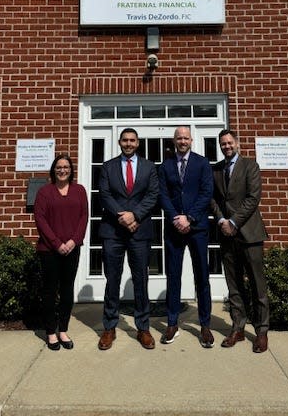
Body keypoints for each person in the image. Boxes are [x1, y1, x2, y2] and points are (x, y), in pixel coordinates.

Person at [98, 127, 159, 350]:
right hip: (113, 231)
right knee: (112, 280)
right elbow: (104, 194)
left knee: (141, 280)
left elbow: (153, 195)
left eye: (132, 140)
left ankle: (143, 328)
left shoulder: (150, 167)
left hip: (139, 230)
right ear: (119, 142)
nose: (129, 144)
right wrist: (121, 216)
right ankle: (109, 327)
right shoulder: (108, 167)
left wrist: (136, 215)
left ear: (138, 143)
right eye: (125, 140)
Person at [211, 129, 269, 353]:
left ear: (237, 143)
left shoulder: (250, 166)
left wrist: (233, 221)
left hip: (250, 234)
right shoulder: (216, 169)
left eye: (229, 143)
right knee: (234, 285)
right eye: (223, 144)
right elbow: (213, 199)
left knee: (257, 285)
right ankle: (238, 327)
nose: (226, 146)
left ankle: (262, 331)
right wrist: (221, 220)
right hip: (226, 235)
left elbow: (253, 197)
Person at [158, 126, 214, 347]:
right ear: (174, 141)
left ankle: (205, 325)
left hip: (197, 228)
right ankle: (172, 323)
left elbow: (206, 192)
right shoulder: (165, 165)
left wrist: (189, 218)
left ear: (192, 140)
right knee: (173, 276)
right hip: (174, 229)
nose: (182, 141)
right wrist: (175, 217)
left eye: (185, 138)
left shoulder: (202, 163)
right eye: (179, 138)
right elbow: (162, 194)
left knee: (202, 276)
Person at [34, 153, 89, 351]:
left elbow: (84, 217)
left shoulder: (80, 191)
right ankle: (50, 332)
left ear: (71, 170)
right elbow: (40, 220)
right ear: (53, 170)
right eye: (59, 167)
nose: (62, 170)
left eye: (66, 167)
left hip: (72, 249)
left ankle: (63, 329)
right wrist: (57, 243)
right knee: (49, 291)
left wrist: (74, 241)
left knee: (67, 290)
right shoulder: (44, 192)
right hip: (49, 250)